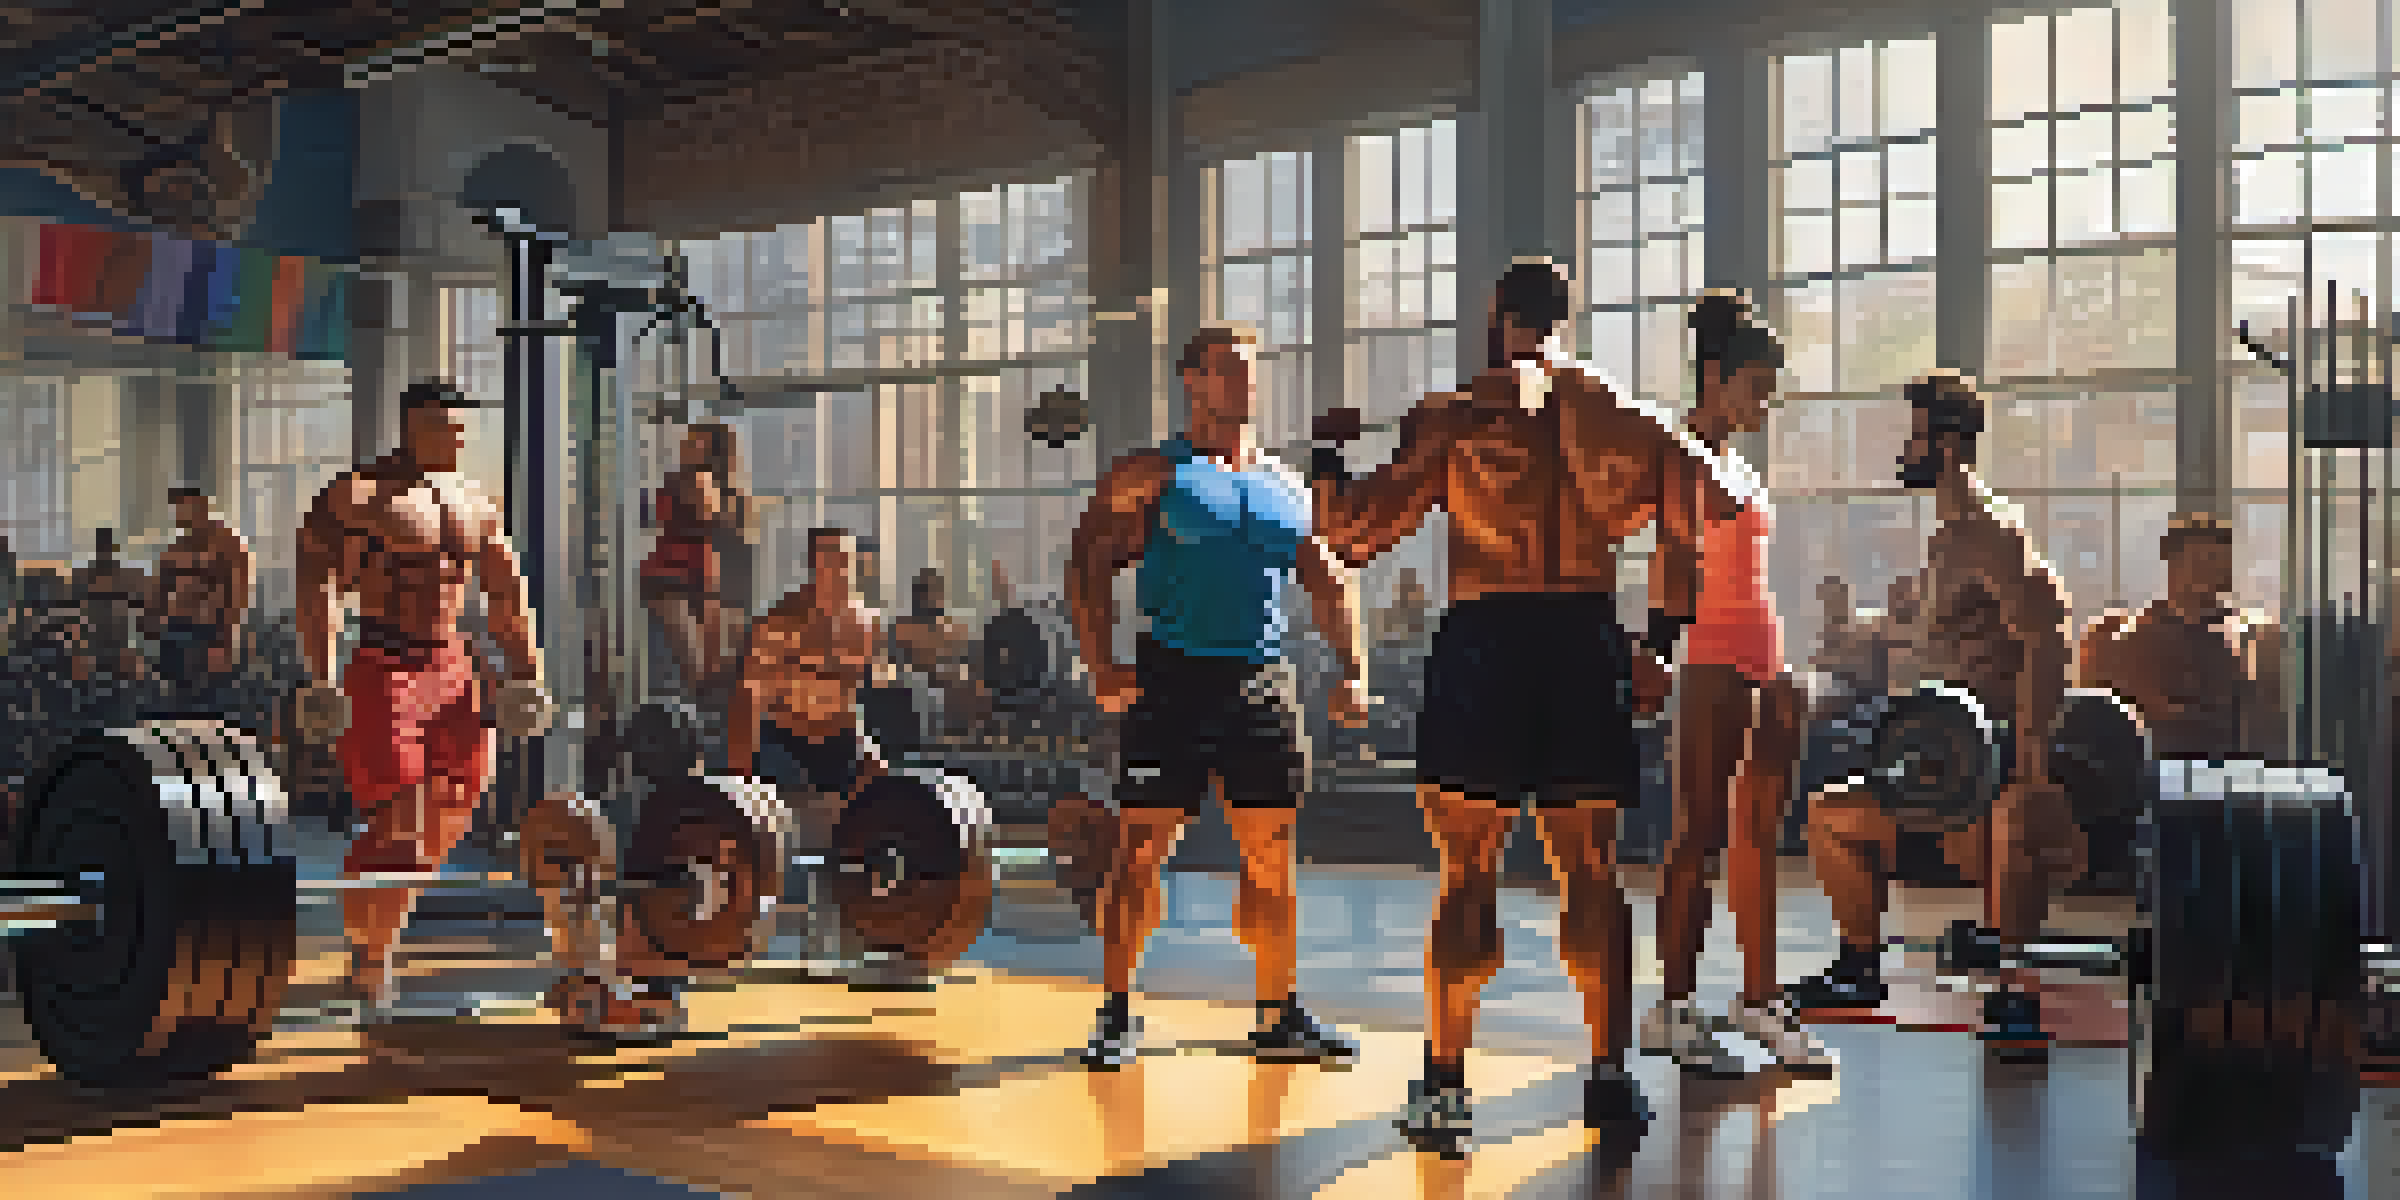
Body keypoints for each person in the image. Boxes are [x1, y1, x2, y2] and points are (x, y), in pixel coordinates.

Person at [1309, 258, 1708, 1147]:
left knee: (1467, 872)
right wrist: (1658, 644)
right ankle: (1608, 1077)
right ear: (1566, 320)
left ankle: (1445, 1087)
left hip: (1488, 638)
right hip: (1582, 638)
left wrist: (1329, 451)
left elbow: (1349, 534)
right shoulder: (1625, 422)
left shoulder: (1456, 417)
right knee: (1592, 873)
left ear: (1498, 319)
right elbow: (1687, 527)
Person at [1066, 320, 1369, 1072]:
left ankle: (1277, 1013)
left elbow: (1328, 579)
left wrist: (1353, 667)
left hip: (1260, 683)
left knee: (1271, 856)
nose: (1244, 381)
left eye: (1250, 369)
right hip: (1171, 678)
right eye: (1227, 369)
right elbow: (1087, 562)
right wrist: (1101, 667)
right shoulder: (1152, 474)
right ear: (1191, 380)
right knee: (1142, 853)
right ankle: (1114, 1012)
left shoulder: (1283, 485)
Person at [1786, 371, 2083, 1049]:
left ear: (1947, 446)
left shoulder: (1989, 533)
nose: (1905, 449)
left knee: (2009, 826)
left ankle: (2012, 983)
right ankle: (1860, 968)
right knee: (1831, 816)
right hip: (1934, 761)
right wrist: (1854, 628)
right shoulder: (1948, 540)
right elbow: (1927, 637)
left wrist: (2032, 763)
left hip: (1987, 763)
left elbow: (2047, 634)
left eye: (1915, 436)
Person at [291, 379, 557, 1022]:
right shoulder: (360, 495)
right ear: (411, 427)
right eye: (442, 426)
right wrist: (319, 675)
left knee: (453, 806)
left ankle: (375, 944)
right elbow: (317, 580)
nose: (455, 437)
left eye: (461, 427)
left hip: (452, 666)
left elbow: (505, 596)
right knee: (397, 816)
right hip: (384, 665)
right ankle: (369, 961)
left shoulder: (474, 503)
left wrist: (528, 675)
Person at [1641, 292, 1835, 1077]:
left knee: (1759, 836)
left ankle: (1758, 998)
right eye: (1756, 386)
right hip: (1711, 658)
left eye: (1771, 386)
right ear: (1715, 379)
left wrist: (1787, 671)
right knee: (1696, 836)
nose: (1767, 401)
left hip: (1765, 657)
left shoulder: (1742, 467)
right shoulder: (1681, 454)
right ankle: (1674, 1008)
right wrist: (1655, 648)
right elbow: (1671, 561)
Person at [728, 528, 891, 852]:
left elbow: (872, 685)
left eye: (846, 562)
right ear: (813, 566)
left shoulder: (867, 624)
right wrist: (740, 776)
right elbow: (748, 697)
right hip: (786, 740)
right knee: (793, 823)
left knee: (879, 780)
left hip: (840, 740)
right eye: (831, 562)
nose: (840, 571)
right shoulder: (779, 623)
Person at [2078, 513, 2286, 759]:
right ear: (2173, 564)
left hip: (2229, 769)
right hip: (2154, 768)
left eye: (2220, 565)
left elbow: (2269, 718)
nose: (2215, 576)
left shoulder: (2253, 636)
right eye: (2202, 563)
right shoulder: (2129, 638)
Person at [642, 423, 748, 702]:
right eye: (688, 439)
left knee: (698, 662)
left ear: (711, 449)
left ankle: (700, 716)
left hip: (684, 571)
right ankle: (698, 714)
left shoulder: (700, 480)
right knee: (696, 660)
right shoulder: (689, 480)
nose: (686, 444)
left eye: (695, 440)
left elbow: (709, 522)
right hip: (679, 572)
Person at [149, 486, 253, 687]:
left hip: (210, 633)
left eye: (182, 507)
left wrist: (224, 643)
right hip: (176, 632)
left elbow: (237, 595)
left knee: (209, 696)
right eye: (176, 508)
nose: (177, 514)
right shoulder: (176, 548)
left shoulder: (227, 544)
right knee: (177, 696)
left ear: (201, 507)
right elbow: (160, 591)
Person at [73, 527, 148, 679]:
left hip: (114, 641)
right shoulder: (90, 575)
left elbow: (137, 609)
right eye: (103, 546)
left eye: (106, 546)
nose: (104, 550)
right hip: (99, 641)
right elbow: (79, 612)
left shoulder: (118, 575)